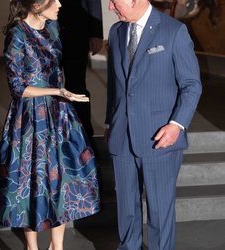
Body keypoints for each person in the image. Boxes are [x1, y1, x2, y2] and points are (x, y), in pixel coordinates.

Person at [0, 0, 100, 249]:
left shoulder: (53, 28)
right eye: (54, 0)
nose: (61, 3)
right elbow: (17, 87)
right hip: (30, 118)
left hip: (58, 113)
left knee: (61, 178)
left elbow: (58, 69)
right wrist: (58, 91)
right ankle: (32, 247)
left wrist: (61, 94)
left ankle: (57, 245)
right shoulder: (17, 34)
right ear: (36, 4)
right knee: (29, 179)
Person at [105, 0, 202, 249]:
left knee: (160, 212)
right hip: (121, 136)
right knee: (126, 209)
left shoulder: (174, 31)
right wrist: (110, 124)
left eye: (114, 2)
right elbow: (115, 87)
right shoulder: (116, 33)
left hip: (161, 137)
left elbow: (191, 86)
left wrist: (176, 125)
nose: (110, 8)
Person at [58, 0, 103, 139]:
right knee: (46, 85)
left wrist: (96, 32)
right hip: (45, 28)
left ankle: (83, 137)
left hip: (77, 28)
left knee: (76, 86)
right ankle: (52, 136)